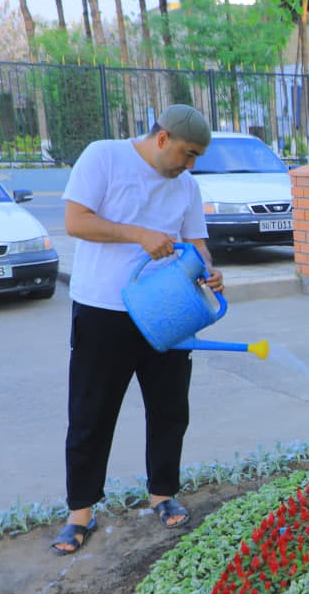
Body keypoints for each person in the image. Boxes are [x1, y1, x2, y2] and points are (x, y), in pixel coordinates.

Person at [50, 104, 224, 555]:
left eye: (197, 158)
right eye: (187, 153)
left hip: (168, 312)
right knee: (91, 414)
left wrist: (209, 270)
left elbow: (196, 240)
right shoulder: (104, 157)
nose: (190, 165)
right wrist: (140, 235)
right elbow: (76, 221)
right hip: (102, 309)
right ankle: (80, 513)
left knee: (170, 410)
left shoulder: (186, 185)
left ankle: (163, 494)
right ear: (162, 138)